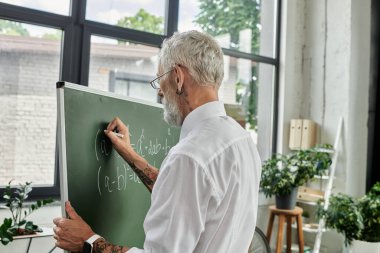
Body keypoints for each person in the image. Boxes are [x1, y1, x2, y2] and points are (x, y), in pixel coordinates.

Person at [53, 30, 262, 253]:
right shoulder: (241, 140)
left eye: (159, 79)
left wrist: (89, 242)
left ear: (178, 77)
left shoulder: (189, 157)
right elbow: (190, 197)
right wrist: (130, 154)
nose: (160, 92)